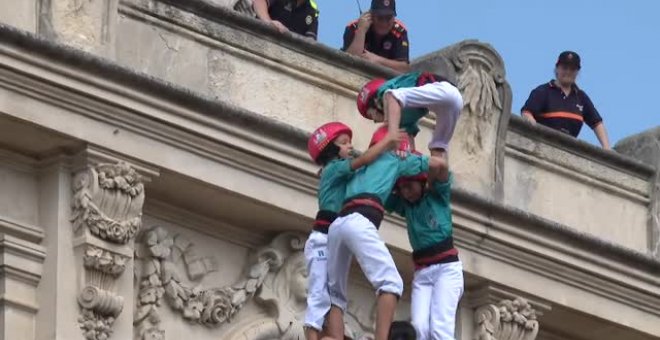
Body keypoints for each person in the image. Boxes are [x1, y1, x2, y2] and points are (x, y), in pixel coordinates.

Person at [326, 125, 441, 340]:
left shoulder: (360, 164)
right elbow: (433, 165)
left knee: (334, 293)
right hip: (360, 220)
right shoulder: (394, 160)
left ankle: (332, 336)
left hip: (337, 224)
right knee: (391, 284)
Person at [305, 122, 403, 340]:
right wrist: (388, 141)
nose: (350, 146)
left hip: (332, 235)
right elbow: (365, 159)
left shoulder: (335, 172)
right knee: (319, 295)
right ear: (331, 150)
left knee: (334, 296)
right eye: (344, 143)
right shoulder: (335, 168)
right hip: (322, 237)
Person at [386, 152, 464, 340]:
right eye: (402, 188)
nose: (406, 192)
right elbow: (379, 190)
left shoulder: (438, 195)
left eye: (409, 186)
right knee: (418, 329)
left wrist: (412, 162)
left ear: (421, 182)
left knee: (440, 330)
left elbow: (441, 167)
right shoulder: (406, 206)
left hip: (447, 270)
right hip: (423, 273)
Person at [357, 72, 463, 160]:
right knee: (437, 147)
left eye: (371, 115)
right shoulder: (404, 117)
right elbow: (409, 138)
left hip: (444, 89)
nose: (375, 121)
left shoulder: (384, 93)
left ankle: (391, 135)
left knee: (392, 97)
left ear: (375, 103)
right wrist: (409, 154)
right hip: (455, 102)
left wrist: (390, 131)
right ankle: (437, 180)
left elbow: (389, 96)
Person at [521, 51, 611, 149]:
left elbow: (597, 123)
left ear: (577, 72)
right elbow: (526, 113)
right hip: (543, 146)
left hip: (568, 150)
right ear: (557, 69)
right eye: (564, 68)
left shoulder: (581, 97)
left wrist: (607, 149)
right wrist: (535, 132)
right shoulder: (543, 91)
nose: (568, 72)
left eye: (572, 69)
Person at [342, 0, 410, 73]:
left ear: (394, 17)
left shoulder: (399, 31)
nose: (384, 23)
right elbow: (348, 62)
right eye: (380, 18)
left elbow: (404, 68)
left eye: (388, 18)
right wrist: (361, 31)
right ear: (371, 16)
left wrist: (377, 60)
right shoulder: (354, 28)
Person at [253, 0, 319, 40]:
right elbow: (259, 1)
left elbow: (310, 41)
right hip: (260, 39)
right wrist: (268, 22)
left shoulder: (312, 10)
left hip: (287, 56)